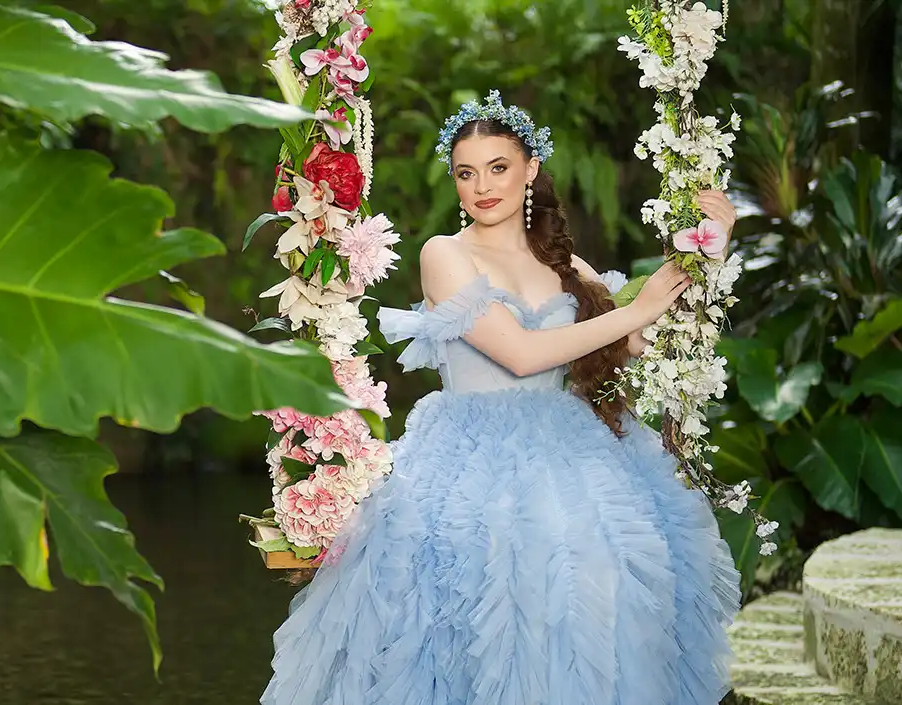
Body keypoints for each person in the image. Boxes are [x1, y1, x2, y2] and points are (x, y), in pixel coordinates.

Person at [262, 91, 741, 705]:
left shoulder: (567, 263)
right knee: (470, 612)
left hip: (570, 451)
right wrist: (636, 309)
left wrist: (710, 246)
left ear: (530, 169)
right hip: (468, 458)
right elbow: (519, 353)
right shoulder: (446, 255)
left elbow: (638, 344)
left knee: (589, 594)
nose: (482, 186)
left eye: (498, 168)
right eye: (466, 173)